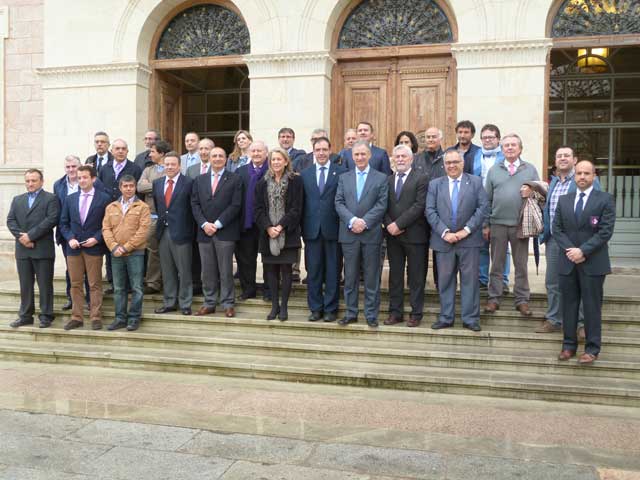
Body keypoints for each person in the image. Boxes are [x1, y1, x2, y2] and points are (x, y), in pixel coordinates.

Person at [554, 160, 615, 365]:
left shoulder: (605, 199)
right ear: (575, 175)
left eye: (586, 173)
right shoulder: (564, 200)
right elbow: (557, 230)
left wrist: (583, 251)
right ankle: (568, 346)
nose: (582, 177)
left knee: (592, 307)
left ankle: (592, 349)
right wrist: (571, 251)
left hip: (593, 263)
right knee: (569, 306)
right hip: (568, 261)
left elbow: (605, 231)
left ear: (594, 176)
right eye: (579, 173)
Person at [538, 146, 600, 335]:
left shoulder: (584, 179)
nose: (562, 158)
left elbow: (597, 207)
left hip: (578, 241)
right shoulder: (555, 182)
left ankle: (581, 324)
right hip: (555, 240)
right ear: (555, 161)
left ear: (574, 160)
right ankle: (554, 319)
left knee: (580, 281)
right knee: (553, 281)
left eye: (566, 155)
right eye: (559, 156)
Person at [426, 151, 488, 331]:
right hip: (443, 241)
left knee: (470, 281)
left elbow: (483, 207)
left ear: (462, 163)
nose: (451, 166)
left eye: (455, 162)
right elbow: (430, 211)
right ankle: (446, 317)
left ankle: (470, 319)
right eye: (448, 163)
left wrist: (465, 231)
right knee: (445, 281)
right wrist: (444, 232)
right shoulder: (435, 184)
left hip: (469, 241)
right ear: (443, 165)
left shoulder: (475, 182)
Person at [484, 133, 540, 316]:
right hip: (497, 224)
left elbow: (542, 196)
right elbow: (487, 199)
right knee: (497, 264)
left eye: (513, 145)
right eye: (506, 145)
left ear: (520, 148)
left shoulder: (530, 170)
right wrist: (486, 224)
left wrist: (532, 193)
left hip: (520, 225)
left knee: (521, 264)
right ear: (502, 149)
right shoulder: (494, 170)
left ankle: (522, 300)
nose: (509, 147)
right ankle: (493, 298)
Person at [335, 140, 389, 327]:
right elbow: (339, 202)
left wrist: (364, 222)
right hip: (349, 234)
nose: (359, 157)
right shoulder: (344, 177)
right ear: (352, 156)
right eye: (356, 154)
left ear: (369, 155)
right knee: (350, 277)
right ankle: (351, 312)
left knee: (371, 277)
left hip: (371, 234)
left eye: (363, 154)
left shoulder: (381, 178)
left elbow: (382, 204)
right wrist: (352, 221)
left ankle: (371, 314)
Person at [192, 147, 243, 318]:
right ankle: (209, 302)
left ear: (226, 158)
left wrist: (218, 223)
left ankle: (228, 303)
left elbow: (236, 205)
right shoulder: (199, 180)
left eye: (221, 156)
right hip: (204, 232)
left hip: (225, 232)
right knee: (207, 270)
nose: (217, 159)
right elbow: (195, 204)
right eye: (214, 156)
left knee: (225, 270)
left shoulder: (235, 179)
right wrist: (204, 224)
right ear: (209, 158)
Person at [59, 165, 111, 330]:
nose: (81, 180)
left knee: (94, 284)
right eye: (79, 177)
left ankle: (95, 317)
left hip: (93, 248)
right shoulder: (70, 198)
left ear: (93, 179)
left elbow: (107, 224)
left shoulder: (104, 198)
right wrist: (70, 238)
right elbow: (63, 223)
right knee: (75, 284)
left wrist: (96, 239)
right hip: (73, 249)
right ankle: (77, 317)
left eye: (85, 177)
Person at [301, 137, 346, 322]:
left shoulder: (341, 172)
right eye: (317, 149)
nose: (321, 153)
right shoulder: (305, 174)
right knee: (314, 271)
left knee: (333, 271)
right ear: (313, 151)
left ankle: (331, 309)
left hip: (334, 230)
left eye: (324, 149)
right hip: (311, 230)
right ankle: (315, 308)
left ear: (330, 151)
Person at [7, 169, 60, 329]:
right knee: (25, 284)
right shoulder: (17, 200)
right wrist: (22, 238)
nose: (30, 184)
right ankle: (25, 316)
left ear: (41, 181)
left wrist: (31, 236)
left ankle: (46, 315)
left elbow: (51, 219)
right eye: (28, 181)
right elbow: (11, 220)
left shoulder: (51, 199)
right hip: (23, 250)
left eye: (34, 180)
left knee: (44, 284)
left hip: (42, 249)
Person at [255, 148, 303, 321]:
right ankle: (274, 306)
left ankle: (284, 306)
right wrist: (269, 227)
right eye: (273, 159)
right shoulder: (262, 183)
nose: (276, 162)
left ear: (285, 161)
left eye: (279, 159)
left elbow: (297, 208)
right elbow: (258, 210)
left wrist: (281, 226)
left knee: (286, 270)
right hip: (267, 235)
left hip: (288, 233)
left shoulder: (295, 181)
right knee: (271, 271)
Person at [384, 145, 429, 327]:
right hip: (393, 236)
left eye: (404, 156)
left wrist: (399, 224)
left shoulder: (421, 178)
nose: (400, 159)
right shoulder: (388, 180)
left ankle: (416, 313)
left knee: (416, 276)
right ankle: (396, 312)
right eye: (397, 156)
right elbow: (384, 205)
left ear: (411, 159)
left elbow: (419, 205)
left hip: (415, 235)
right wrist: (389, 225)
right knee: (395, 276)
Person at [102, 175, 151, 331]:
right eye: (125, 186)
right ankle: (120, 318)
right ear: (121, 187)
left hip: (135, 253)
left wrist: (127, 247)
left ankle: (134, 318)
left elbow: (143, 231)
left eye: (131, 186)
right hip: (116, 253)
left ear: (135, 187)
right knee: (118, 288)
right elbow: (106, 229)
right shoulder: (111, 207)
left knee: (136, 287)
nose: (128, 189)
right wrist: (114, 246)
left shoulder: (142, 207)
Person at [153, 152, 195, 316]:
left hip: (182, 232)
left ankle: (185, 303)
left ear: (179, 166)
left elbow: (192, 208)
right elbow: (159, 206)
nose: (169, 167)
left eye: (173, 164)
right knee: (167, 270)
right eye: (167, 164)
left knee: (184, 270)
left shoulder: (189, 183)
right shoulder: (157, 183)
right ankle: (169, 302)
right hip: (163, 232)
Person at [98, 139, 142, 293]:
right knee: (111, 248)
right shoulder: (104, 168)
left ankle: (130, 284)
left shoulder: (135, 168)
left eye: (123, 148)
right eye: (117, 148)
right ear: (112, 150)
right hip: (111, 214)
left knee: (130, 248)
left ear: (127, 151)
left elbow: (139, 192)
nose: (120, 151)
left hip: (130, 214)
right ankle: (112, 282)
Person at [472, 124, 511, 292]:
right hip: (478, 205)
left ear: (498, 139)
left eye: (491, 137)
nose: (487, 140)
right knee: (480, 244)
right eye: (484, 137)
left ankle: (502, 280)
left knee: (501, 246)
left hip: (499, 206)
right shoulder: (475, 155)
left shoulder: (506, 156)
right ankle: (482, 279)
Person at [54, 155, 92, 310]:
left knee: (89, 268)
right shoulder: (58, 185)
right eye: (68, 167)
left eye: (74, 166)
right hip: (67, 233)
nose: (71, 170)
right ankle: (72, 299)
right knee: (71, 268)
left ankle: (90, 299)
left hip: (87, 232)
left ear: (80, 166)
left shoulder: (88, 182)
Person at [235, 140, 270, 300]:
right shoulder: (241, 171)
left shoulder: (273, 169)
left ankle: (269, 290)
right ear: (249, 153)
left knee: (269, 258)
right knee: (246, 259)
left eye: (259, 151)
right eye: (253, 151)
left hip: (267, 224)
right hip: (246, 223)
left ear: (266, 153)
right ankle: (248, 289)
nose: (256, 154)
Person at [136, 140, 171, 294]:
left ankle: (169, 281)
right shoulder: (148, 169)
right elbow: (140, 187)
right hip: (151, 216)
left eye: (153, 152)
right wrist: (158, 185)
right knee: (152, 250)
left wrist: (152, 185)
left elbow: (168, 185)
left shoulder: (170, 168)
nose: (149, 154)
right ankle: (153, 282)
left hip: (168, 216)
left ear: (161, 153)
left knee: (169, 250)